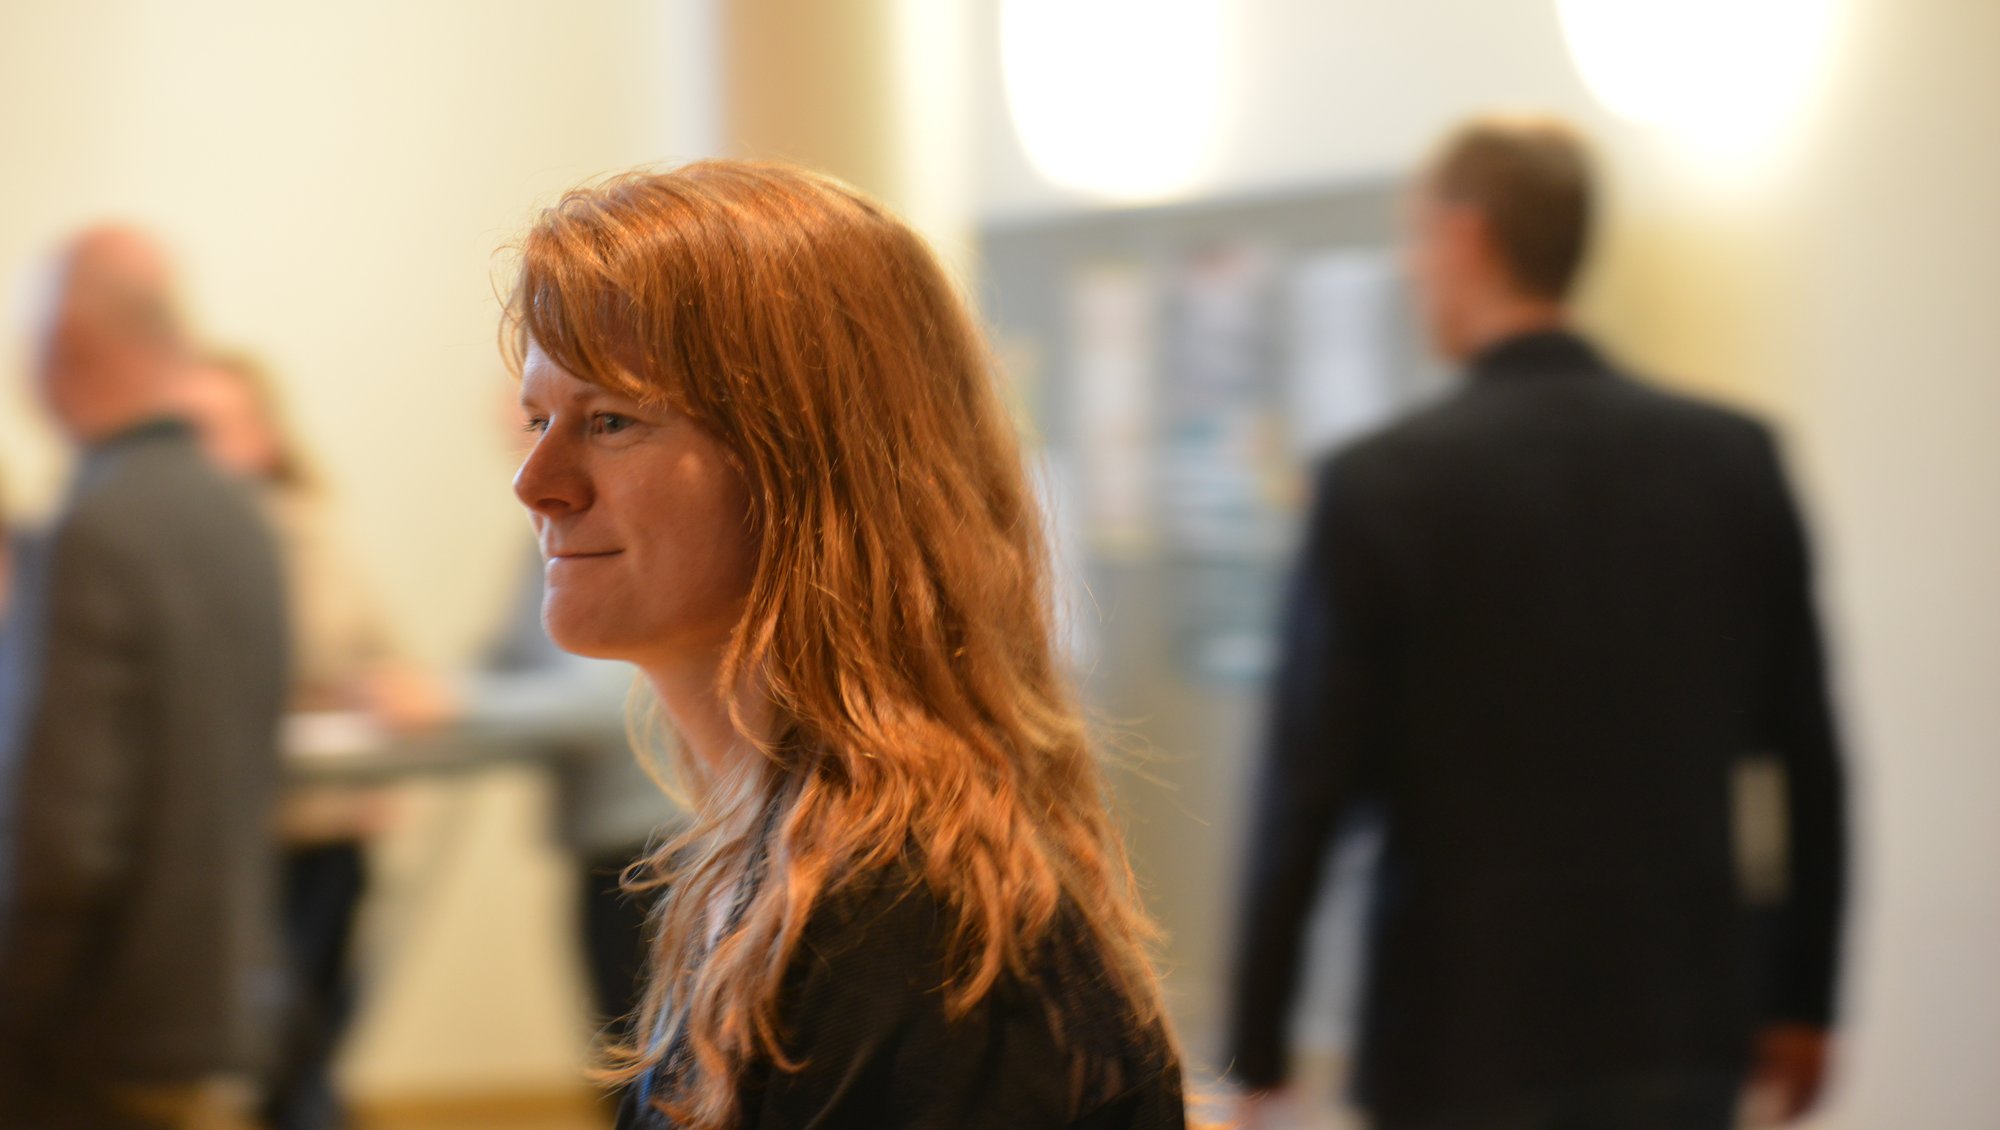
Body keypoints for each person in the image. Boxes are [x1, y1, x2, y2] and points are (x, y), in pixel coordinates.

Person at [505, 161, 1188, 1130]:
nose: (536, 482)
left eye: (612, 421)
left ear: (805, 465)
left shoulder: (911, 925)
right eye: (539, 419)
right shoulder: (776, 867)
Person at [1227, 117, 1848, 1130]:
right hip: (1678, 1026)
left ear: (1466, 236)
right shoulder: (1733, 459)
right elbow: (1809, 762)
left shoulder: (1379, 486)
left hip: (1459, 1036)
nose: (1411, 269)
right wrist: (1803, 999)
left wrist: (1256, 1045)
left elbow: (1304, 791)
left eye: (1415, 238)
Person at [0, 228, 290, 1128]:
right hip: (216, 1010)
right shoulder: (240, 515)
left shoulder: (94, 529)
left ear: (67, 348)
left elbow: (63, 839)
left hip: (95, 1036)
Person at [176, 349, 452, 1130]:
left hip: (323, 827)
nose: (209, 450)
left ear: (265, 437)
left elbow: (381, 664)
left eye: (224, 426)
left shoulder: (313, 537)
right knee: (266, 1044)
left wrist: (379, 725)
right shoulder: (163, 552)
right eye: (189, 430)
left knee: (308, 1034)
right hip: (218, 842)